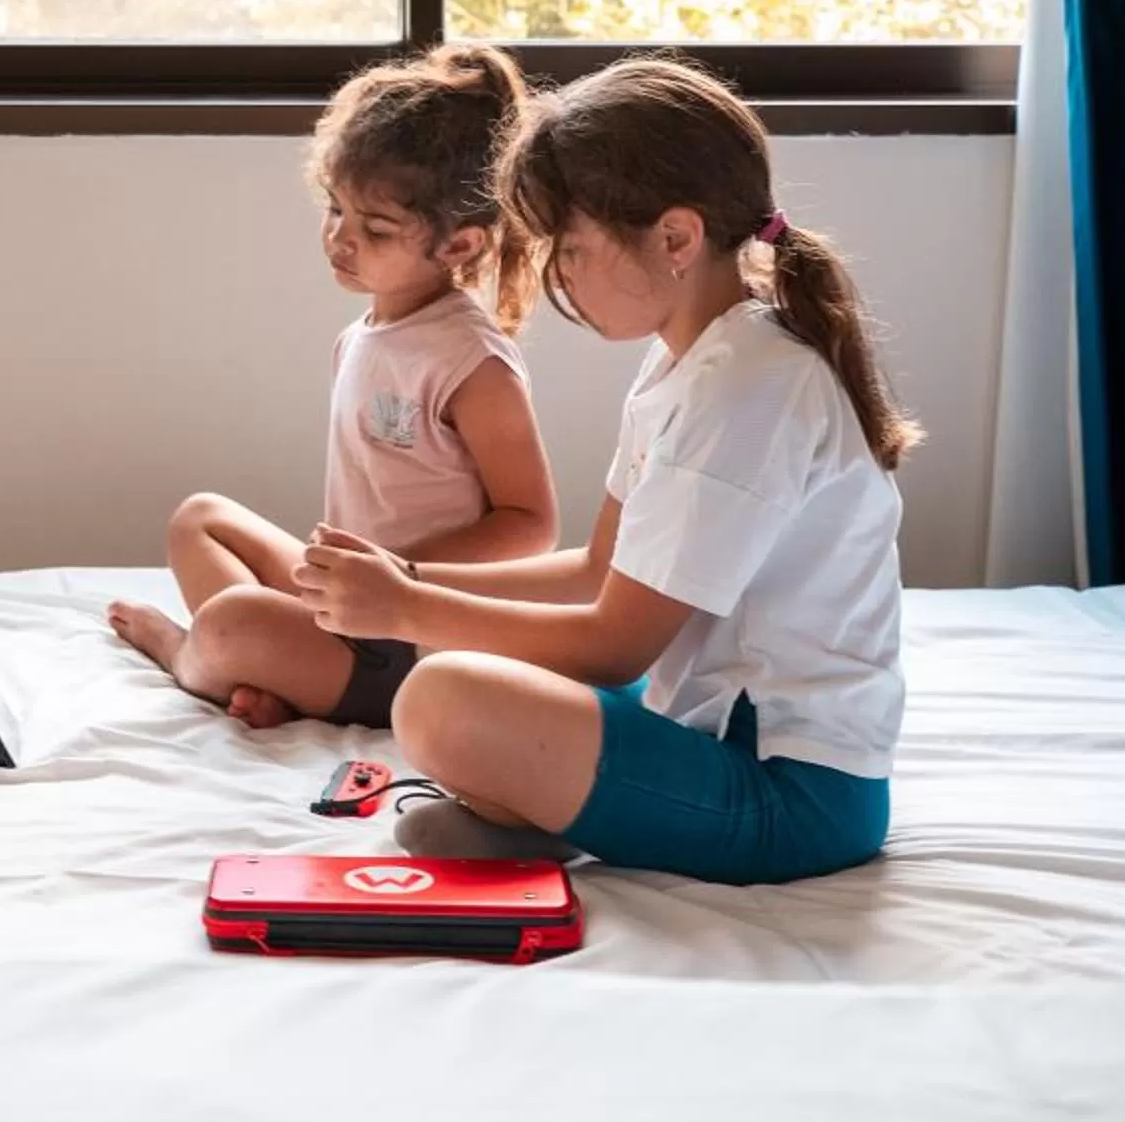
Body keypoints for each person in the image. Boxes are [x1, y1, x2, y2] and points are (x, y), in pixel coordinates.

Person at [296, 54, 911, 879]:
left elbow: (614, 646)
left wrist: (406, 606)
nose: (556, 276)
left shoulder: (749, 388)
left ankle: (576, 814)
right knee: (463, 673)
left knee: (443, 696)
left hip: (795, 791)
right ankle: (570, 815)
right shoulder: (685, 363)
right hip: (701, 718)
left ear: (677, 238)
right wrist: (403, 579)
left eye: (570, 247)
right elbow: (597, 571)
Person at [109, 44, 557, 728]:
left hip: (413, 634)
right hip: (348, 601)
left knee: (232, 621)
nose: (340, 239)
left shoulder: (471, 362)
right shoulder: (366, 334)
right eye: (335, 210)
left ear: (459, 246)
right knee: (199, 519)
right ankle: (269, 674)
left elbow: (532, 526)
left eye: (375, 228)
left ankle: (188, 655)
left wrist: (400, 574)